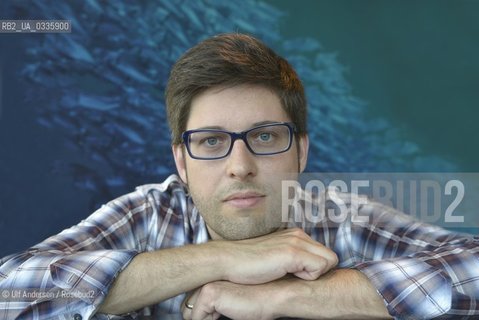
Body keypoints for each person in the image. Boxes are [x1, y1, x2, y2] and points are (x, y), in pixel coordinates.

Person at [1, 33, 478, 320]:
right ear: (181, 163)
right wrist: (222, 259)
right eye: (210, 142)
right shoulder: (150, 214)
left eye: (266, 137)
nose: (240, 165)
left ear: (301, 152)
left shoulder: (343, 219)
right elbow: (10, 292)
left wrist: (291, 296)